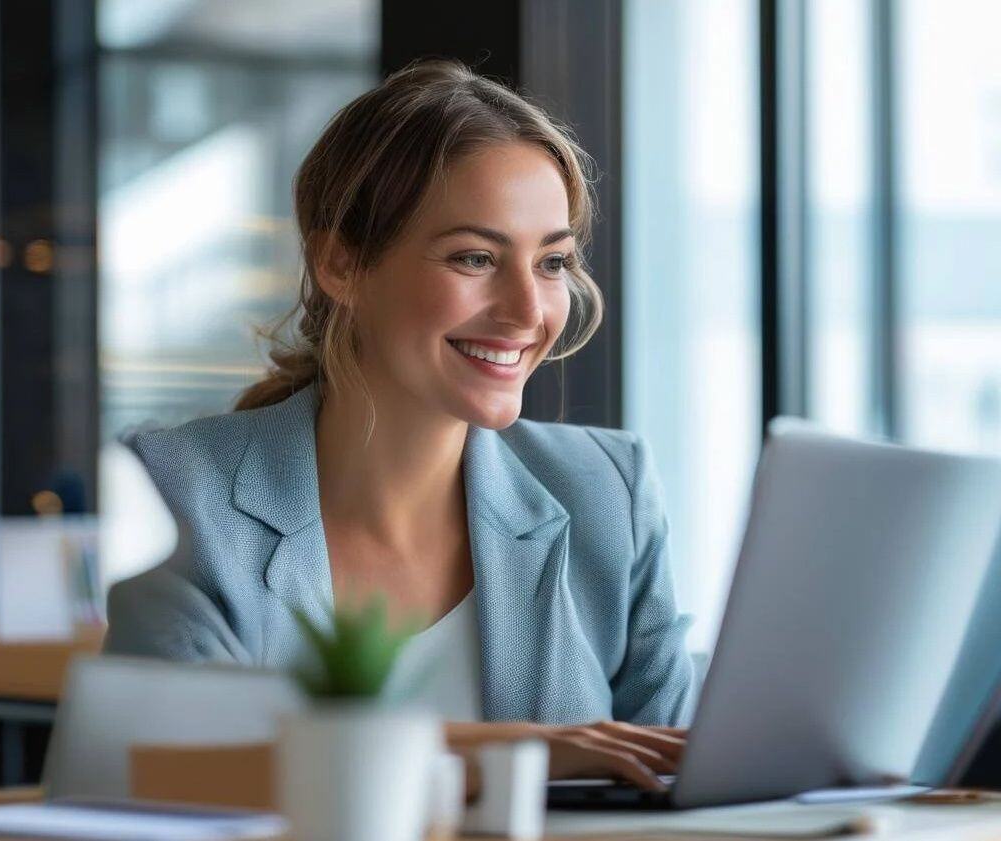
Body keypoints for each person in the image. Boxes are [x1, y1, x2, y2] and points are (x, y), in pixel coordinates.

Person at [104, 57, 696, 791]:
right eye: (475, 257)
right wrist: (522, 751)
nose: (526, 310)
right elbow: (167, 767)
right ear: (341, 263)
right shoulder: (176, 490)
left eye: (552, 262)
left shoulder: (608, 490)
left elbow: (678, 783)